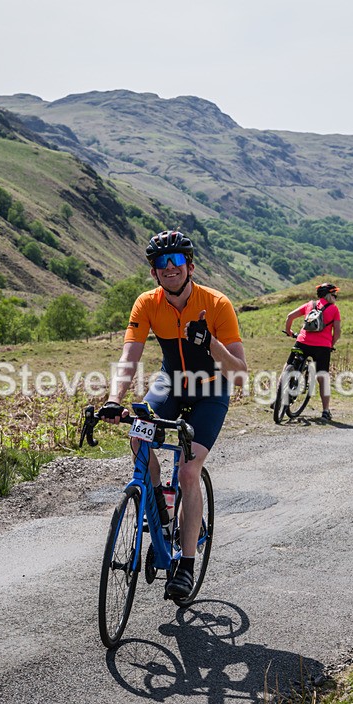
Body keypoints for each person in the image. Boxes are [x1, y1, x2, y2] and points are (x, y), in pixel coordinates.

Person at [101, 230, 247, 599]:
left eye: (176, 261)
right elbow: (129, 357)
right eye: (161, 263)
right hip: (170, 384)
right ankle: (162, 518)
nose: (169, 268)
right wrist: (115, 399)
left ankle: (185, 563)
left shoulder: (216, 304)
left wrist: (210, 343)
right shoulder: (147, 304)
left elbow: (240, 372)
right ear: (153, 273)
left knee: (186, 470)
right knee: (138, 437)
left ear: (190, 266)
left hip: (211, 390)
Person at [282, 282, 342, 421]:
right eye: (334, 294)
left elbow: (290, 316)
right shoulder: (334, 309)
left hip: (302, 342)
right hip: (322, 347)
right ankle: (326, 411)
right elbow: (337, 332)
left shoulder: (310, 305)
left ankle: (278, 396)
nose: (335, 297)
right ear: (328, 295)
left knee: (287, 366)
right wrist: (330, 344)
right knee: (323, 377)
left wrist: (290, 332)